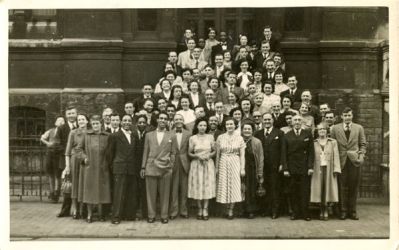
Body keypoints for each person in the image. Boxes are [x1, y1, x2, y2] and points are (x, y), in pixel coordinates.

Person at [140, 112, 177, 224]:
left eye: (165, 119)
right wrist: (143, 167)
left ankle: (164, 215)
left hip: (165, 168)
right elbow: (145, 151)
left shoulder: (172, 135)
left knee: (165, 193)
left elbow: (173, 153)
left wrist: (170, 165)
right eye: (161, 118)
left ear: (167, 121)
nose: (162, 120)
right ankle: (151, 215)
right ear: (157, 120)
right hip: (151, 166)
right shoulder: (149, 135)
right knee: (150, 193)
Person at [330, 107, 367, 220]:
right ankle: (343, 211)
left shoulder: (359, 128)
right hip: (340, 161)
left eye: (349, 115)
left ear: (352, 116)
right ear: (341, 116)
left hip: (354, 161)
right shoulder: (335, 128)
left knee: (353, 187)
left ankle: (353, 211)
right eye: (345, 115)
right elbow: (332, 145)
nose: (347, 117)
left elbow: (363, 144)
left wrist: (361, 157)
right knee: (341, 187)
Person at [107, 114, 139, 224]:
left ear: (132, 123)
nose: (126, 122)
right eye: (124, 120)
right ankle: (116, 217)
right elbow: (110, 154)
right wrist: (113, 167)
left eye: (129, 121)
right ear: (121, 122)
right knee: (119, 194)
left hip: (131, 168)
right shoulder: (114, 136)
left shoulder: (134, 135)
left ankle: (129, 215)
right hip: (119, 168)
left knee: (131, 193)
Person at [282, 115, 315, 221]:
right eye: (295, 120)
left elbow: (311, 152)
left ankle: (305, 213)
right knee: (293, 191)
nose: (297, 122)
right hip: (291, 167)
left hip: (304, 167)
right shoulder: (287, 135)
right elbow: (284, 153)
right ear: (291, 122)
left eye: (299, 120)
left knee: (304, 191)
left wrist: (310, 167)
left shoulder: (307, 134)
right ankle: (295, 213)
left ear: (302, 122)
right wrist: (285, 168)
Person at [80, 115, 112, 223]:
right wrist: (84, 158)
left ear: (101, 124)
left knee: (102, 191)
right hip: (90, 167)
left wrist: (107, 162)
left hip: (103, 167)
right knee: (90, 191)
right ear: (91, 124)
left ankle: (101, 214)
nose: (95, 126)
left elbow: (110, 151)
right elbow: (79, 149)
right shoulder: (86, 135)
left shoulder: (107, 136)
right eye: (93, 124)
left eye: (97, 123)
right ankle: (89, 214)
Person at [254, 113, 285, 219]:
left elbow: (283, 150)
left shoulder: (279, 133)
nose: (267, 121)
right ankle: (265, 209)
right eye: (265, 119)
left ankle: (275, 210)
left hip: (275, 165)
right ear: (262, 120)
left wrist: (282, 163)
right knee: (264, 186)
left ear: (273, 120)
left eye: (269, 119)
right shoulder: (258, 134)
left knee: (275, 188)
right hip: (262, 166)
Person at [215, 117, 246, 219]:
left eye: (231, 124)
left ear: (235, 125)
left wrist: (242, 168)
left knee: (234, 186)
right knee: (223, 185)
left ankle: (231, 210)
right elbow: (218, 154)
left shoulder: (240, 138)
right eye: (227, 124)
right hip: (223, 162)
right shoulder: (220, 137)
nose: (229, 126)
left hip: (235, 162)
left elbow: (242, 155)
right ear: (225, 126)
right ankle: (225, 209)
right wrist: (217, 168)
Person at [310, 123, 341, 221]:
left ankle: (326, 209)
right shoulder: (314, 142)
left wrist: (336, 169)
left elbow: (336, 156)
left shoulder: (333, 142)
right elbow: (310, 157)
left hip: (329, 168)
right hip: (317, 169)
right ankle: (321, 209)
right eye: (320, 129)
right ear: (317, 131)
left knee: (327, 189)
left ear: (327, 131)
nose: (322, 131)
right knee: (319, 189)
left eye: (324, 129)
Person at [188, 118, 217, 220]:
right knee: (198, 185)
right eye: (200, 125)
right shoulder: (193, 138)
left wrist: (209, 156)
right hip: (197, 165)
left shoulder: (210, 137)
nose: (202, 127)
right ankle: (199, 209)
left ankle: (206, 209)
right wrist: (197, 156)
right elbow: (189, 153)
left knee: (207, 186)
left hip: (208, 164)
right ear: (197, 126)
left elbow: (214, 151)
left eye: (204, 125)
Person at [61, 114, 88, 219]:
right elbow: (67, 151)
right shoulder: (73, 132)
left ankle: (82, 209)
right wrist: (67, 166)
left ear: (87, 121)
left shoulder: (90, 132)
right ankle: (75, 209)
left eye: (83, 119)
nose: (81, 121)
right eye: (79, 119)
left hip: (86, 160)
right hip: (74, 160)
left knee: (83, 184)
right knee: (75, 185)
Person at [56, 106, 78, 217]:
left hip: (78, 161)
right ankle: (65, 210)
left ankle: (77, 210)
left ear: (76, 114)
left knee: (78, 185)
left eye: (73, 113)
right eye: (69, 113)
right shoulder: (61, 128)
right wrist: (68, 151)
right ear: (66, 115)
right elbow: (57, 145)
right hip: (66, 161)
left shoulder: (81, 125)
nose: (71, 115)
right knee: (68, 187)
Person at [169, 114, 191, 219]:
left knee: (184, 187)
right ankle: (174, 211)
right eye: (176, 119)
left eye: (180, 119)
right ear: (173, 121)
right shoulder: (169, 134)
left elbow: (190, 149)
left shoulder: (188, 134)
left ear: (183, 121)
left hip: (184, 163)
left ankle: (184, 210)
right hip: (173, 162)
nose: (178, 121)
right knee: (173, 188)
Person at [241, 122, 264, 219]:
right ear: (242, 130)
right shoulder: (239, 140)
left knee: (251, 190)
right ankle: (242, 210)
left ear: (252, 131)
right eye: (245, 129)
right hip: (241, 168)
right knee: (242, 189)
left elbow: (261, 157)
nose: (247, 131)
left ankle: (251, 211)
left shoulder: (257, 142)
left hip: (252, 168)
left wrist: (260, 172)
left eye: (249, 129)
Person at [41, 116, 65, 203]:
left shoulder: (64, 131)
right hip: (50, 154)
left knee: (58, 174)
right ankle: (51, 192)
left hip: (58, 154)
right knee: (50, 173)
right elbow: (42, 138)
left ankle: (56, 193)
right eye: (59, 120)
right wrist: (48, 143)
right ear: (55, 123)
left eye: (62, 121)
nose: (60, 122)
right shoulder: (51, 131)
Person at [132, 115, 151, 219]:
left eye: (144, 122)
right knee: (135, 191)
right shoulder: (133, 134)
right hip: (134, 166)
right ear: (136, 124)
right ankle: (135, 212)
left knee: (145, 190)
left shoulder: (149, 134)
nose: (142, 124)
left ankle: (145, 213)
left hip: (145, 165)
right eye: (140, 122)